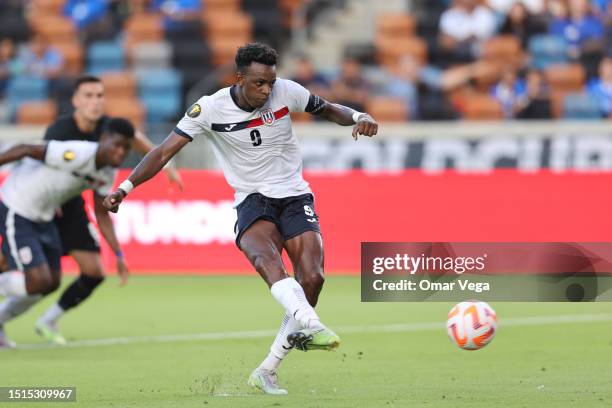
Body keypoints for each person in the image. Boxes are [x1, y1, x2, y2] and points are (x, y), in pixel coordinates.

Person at [102, 42, 378, 395]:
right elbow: (163, 151)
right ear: (240, 78)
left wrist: (358, 117)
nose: (267, 90)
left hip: (294, 195)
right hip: (252, 200)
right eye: (259, 83)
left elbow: (327, 109)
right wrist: (124, 188)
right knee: (265, 259)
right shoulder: (209, 108)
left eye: (270, 82)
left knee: (313, 277)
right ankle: (311, 323)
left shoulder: (287, 92)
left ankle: (267, 370)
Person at [30, 75, 183, 345]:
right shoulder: (59, 132)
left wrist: (166, 166)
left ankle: (48, 319)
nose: (95, 101)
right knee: (33, 274)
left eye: (100, 95)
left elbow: (134, 137)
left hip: (73, 204)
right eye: (88, 96)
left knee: (95, 271)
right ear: (76, 101)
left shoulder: (108, 128)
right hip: (43, 205)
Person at [0, 118, 134, 348]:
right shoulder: (76, 152)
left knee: (50, 282)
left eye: (126, 148)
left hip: (44, 217)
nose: (120, 152)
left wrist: (119, 254)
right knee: (37, 280)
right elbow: (25, 149)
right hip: (18, 206)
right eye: (117, 144)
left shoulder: (107, 172)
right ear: (103, 139)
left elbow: (101, 213)